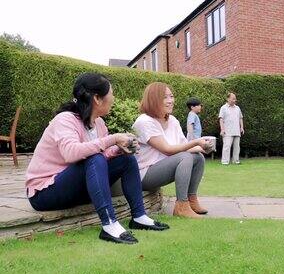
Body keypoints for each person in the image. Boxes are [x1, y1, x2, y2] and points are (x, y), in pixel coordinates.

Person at [25, 73, 169, 245]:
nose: (114, 98)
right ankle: (109, 224)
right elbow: (71, 153)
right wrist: (113, 139)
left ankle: (139, 216)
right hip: (45, 193)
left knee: (127, 159)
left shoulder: (99, 123)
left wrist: (119, 149)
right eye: (111, 93)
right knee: (95, 159)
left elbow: (102, 155)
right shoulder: (65, 120)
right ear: (97, 99)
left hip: (76, 187)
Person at [132, 82, 211, 219]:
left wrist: (203, 147)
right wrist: (196, 141)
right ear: (153, 99)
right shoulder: (144, 121)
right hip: (143, 174)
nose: (170, 101)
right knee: (185, 157)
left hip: (162, 168)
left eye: (171, 96)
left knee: (198, 157)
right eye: (165, 97)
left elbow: (183, 145)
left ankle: (191, 200)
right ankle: (181, 206)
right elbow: (167, 150)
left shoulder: (172, 120)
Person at [218, 92, 244, 165]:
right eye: (233, 99)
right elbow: (221, 119)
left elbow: (240, 118)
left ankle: (236, 161)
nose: (234, 100)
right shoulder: (223, 108)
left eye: (235, 99)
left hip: (237, 131)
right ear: (228, 99)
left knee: (237, 147)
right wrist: (222, 129)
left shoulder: (237, 108)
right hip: (227, 131)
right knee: (227, 146)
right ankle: (225, 161)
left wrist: (242, 127)